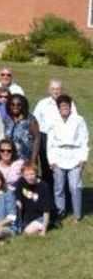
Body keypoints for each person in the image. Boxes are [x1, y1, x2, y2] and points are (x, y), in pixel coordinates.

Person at [46, 93, 88, 222]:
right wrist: (51, 160)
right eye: (62, 106)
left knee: (75, 187)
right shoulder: (53, 121)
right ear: (58, 108)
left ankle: (77, 215)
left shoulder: (79, 120)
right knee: (59, 187)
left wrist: (83, 158)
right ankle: (60, 212)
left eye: (66, 105)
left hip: (75, 156)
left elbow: (84, 140)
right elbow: (50, 142)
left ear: (70, 107)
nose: (64, 108)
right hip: (58, 156)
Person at [14, 163, 51, 236]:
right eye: (26, 175)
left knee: (26, 232)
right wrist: (18, 200)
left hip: (40, 217)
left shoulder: (43, 186)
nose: (29, 177)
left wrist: (44, 230)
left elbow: (47, 210)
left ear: (36, 173)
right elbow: (17, 193)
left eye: (32, 174)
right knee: (19, 231)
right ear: (23, 175)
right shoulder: (21, 181)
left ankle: (44, 226)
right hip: (27, 217)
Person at [5, 94, 40, 165]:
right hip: (10, 160)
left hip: (26, 160)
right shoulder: (7, 120)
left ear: (23, 105)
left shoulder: (30, 119)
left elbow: (37, 139)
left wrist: (33, 161)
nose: (15, 107)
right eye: (12, 104)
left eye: (19, 105)